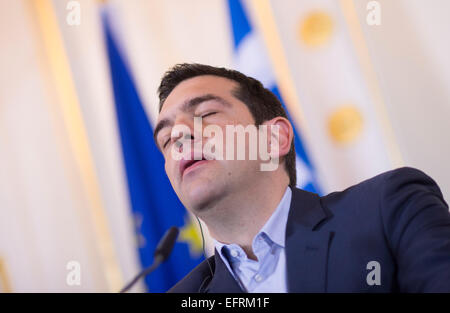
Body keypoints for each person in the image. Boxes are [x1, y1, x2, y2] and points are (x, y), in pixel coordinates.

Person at [153, 63, 450, 293]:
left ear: (273, 138)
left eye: (205, 114)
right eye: (166, 139)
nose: (179, 136)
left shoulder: (389, 208)